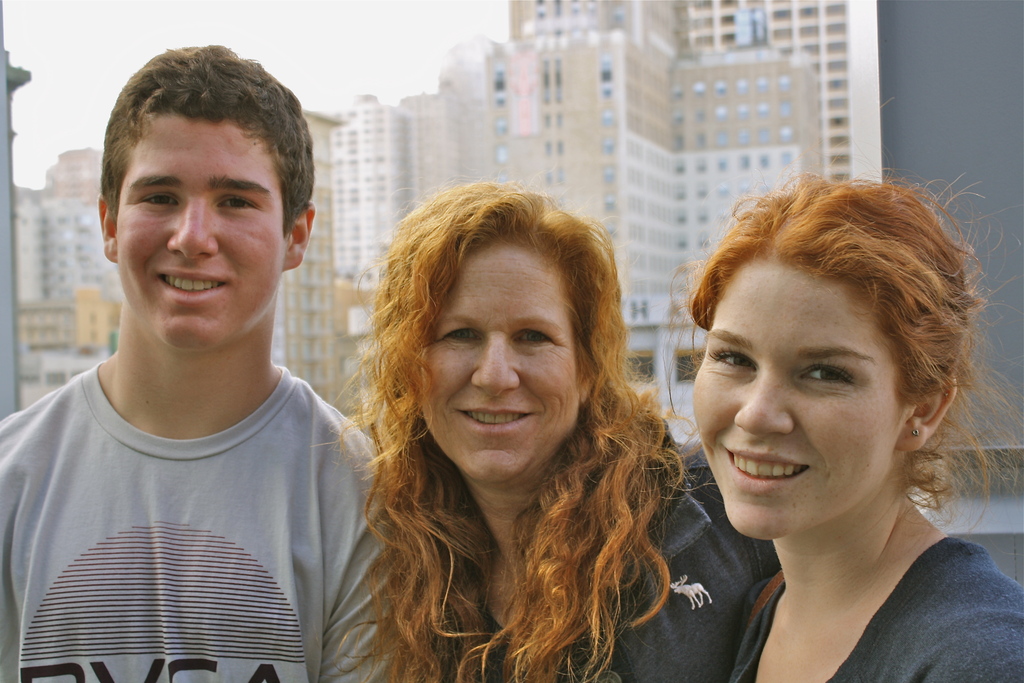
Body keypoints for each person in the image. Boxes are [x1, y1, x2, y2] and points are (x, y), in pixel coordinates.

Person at [0, 46, 377, 681]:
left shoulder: (358, 497)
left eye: (235, 201)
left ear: (298, 236)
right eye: (160, 196)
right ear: (108, 222)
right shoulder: (11, 481)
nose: (193, 236)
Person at [356, 182, 779, 683]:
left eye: (532, 337)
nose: (494, 375)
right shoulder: (378, 546)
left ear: (586, 369)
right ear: (410, 365)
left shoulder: (725, 515)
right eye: (459, 334)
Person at [687, 174, 1024, 682]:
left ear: (922, 411)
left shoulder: (979, 659)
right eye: (733, 357)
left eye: (825, 372)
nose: (755, 414)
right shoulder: (765, 606)